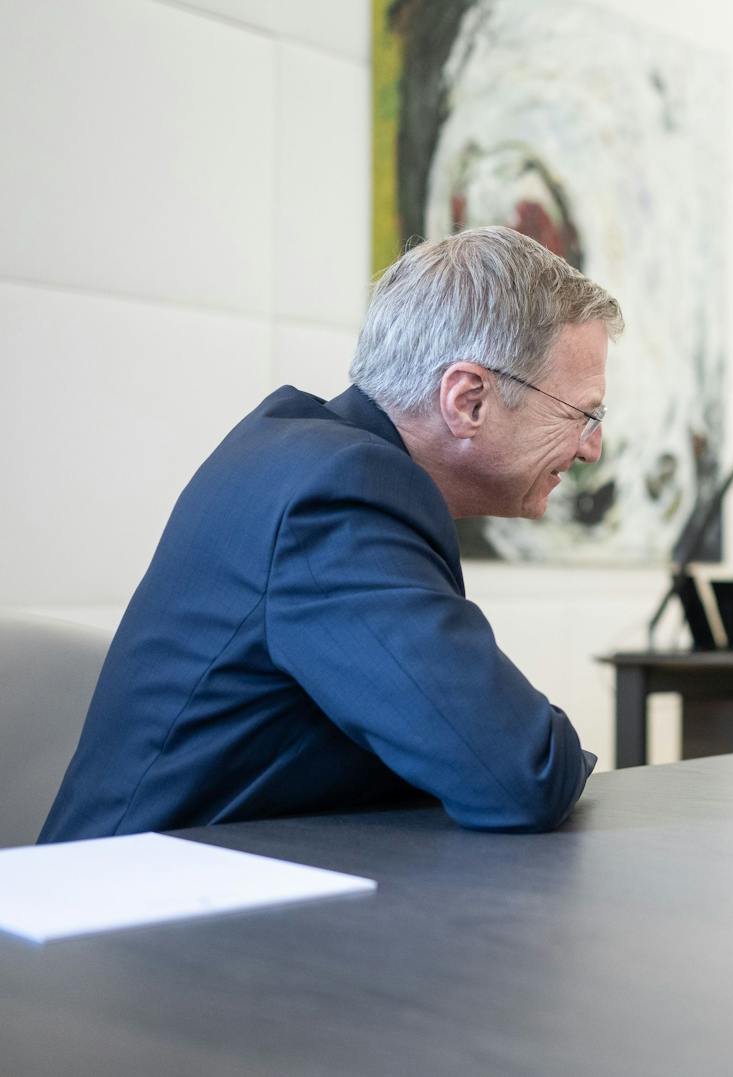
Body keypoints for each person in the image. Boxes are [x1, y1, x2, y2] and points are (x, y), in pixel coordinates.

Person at [39, 226, 621, 842]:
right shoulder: (342, 494)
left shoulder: (295, 449)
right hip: (132, 914)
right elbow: (520, 773)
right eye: (581, 415)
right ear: (468, 399)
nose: (591, 448)